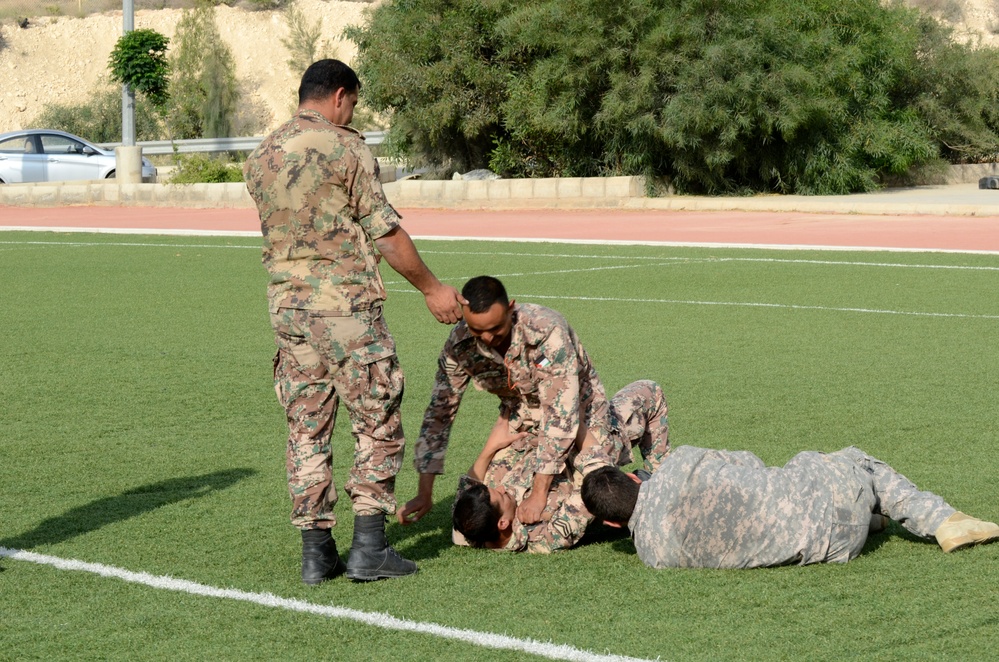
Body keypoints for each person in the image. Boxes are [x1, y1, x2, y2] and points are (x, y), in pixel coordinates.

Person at [243, 59, 465, 584]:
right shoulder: (346, 147)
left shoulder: (262, 154)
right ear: (340, 95)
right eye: (354, 104)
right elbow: (384, 233)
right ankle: (369, 547)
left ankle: (316, 554)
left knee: (307, 430)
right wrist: (433, 289)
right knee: (377, 420)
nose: (352, 114)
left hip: (289, 311)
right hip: (345, 311)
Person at [399, 275, 623, 528]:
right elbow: (439, 414)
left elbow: (561, 413)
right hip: (524, 422)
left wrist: (538, 494)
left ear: (510, 309)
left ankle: (637, 479)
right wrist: (424, 491)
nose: (487, 338)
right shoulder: (460, 345)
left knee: (597, 495)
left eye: (495, 329)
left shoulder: (545, 329)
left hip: (581, 416)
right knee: (487, 506)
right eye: (477, 331)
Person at [581, 445, 999, 569]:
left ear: (613, 525)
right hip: (829, 498)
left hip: (832, 549)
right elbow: (749, 462)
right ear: (632, 477)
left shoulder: (653, 555)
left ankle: (871, 520)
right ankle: (944, 521)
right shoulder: (678, 464)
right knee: (858, 461)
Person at [452, 380, 671, 553]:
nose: (500, 488)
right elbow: (595, 483)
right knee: (649, 391)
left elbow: (468, 488)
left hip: (545, 441)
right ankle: (661, 487)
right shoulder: (546, 536)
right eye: (500, 496)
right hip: (589, 454)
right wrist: (568, 422)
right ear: (503, 523)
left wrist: (491, 446)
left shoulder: (469, 529)